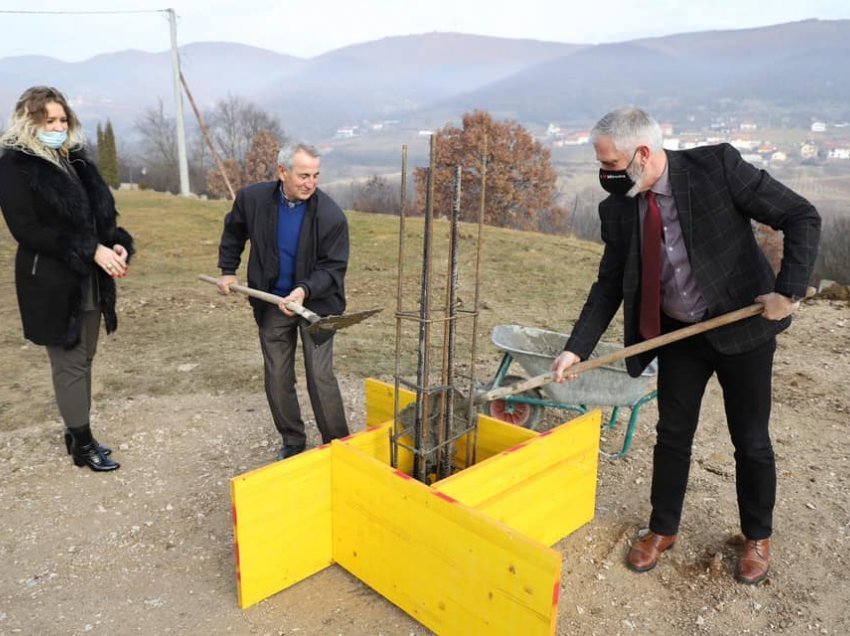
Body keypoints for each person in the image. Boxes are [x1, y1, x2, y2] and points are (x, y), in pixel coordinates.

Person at [551, 107, 820, 584]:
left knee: (750, 440)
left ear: (642, 154)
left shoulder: (715, 168)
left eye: (610, 166)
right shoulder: (618, 207)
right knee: (673, 435)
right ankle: (662, 528)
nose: (604, 176)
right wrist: (578, 348)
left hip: (744, 329)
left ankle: (757, 536)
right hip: (678, 336)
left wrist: (789, 290)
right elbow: (610, 282)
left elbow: (801, 215)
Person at [0, 86, 134, 472]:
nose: (58, 127)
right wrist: (90, 249)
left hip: (88, 278)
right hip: (52, 281)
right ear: (29, 122)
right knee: (70, 363)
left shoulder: (73, 159)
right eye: (49, 121)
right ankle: (83, 442)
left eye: (62, 120)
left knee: (85, 358)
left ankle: (76, 431)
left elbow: (98, 218)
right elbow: (26, 229)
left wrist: (115, 243)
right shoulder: (14, 166)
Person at [216, 141, 350, 460]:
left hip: (317, 305)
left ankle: (339, 444)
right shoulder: (253, 200)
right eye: (304, 175)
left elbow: (333, 268)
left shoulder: (331, 216)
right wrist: (228, 270)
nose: (311, 183)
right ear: (282, 171)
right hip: (271, 300)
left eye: (316, 176)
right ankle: (292, 439)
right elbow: (234, 232)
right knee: (277, 375)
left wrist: (303, 290)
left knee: (320, 376)